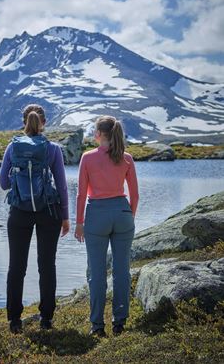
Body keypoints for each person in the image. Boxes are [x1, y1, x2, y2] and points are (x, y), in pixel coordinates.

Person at [0, 104, 70, 334]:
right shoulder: (53, 149)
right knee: (46, 265)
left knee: (16, 266)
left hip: (19, 212)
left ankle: (14, 320)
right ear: (44, 123)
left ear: (24, 122)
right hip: (48, 211)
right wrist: (66, 217)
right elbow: (61, 186)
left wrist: (20, 180)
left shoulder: (12, 146)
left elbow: (3, 184)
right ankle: (46, 318)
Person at [75, 115, 139, 337]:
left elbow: (82, 194)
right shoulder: (127, 158)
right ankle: (119, 323)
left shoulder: (88, 158)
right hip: (122, 214)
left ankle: (97, 326)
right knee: (122, 271)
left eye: (94, 131)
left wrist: (79, 223)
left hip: (96, 216)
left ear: (100, 134)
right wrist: (129, 216)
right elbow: (135, 195)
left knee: (97, 273)